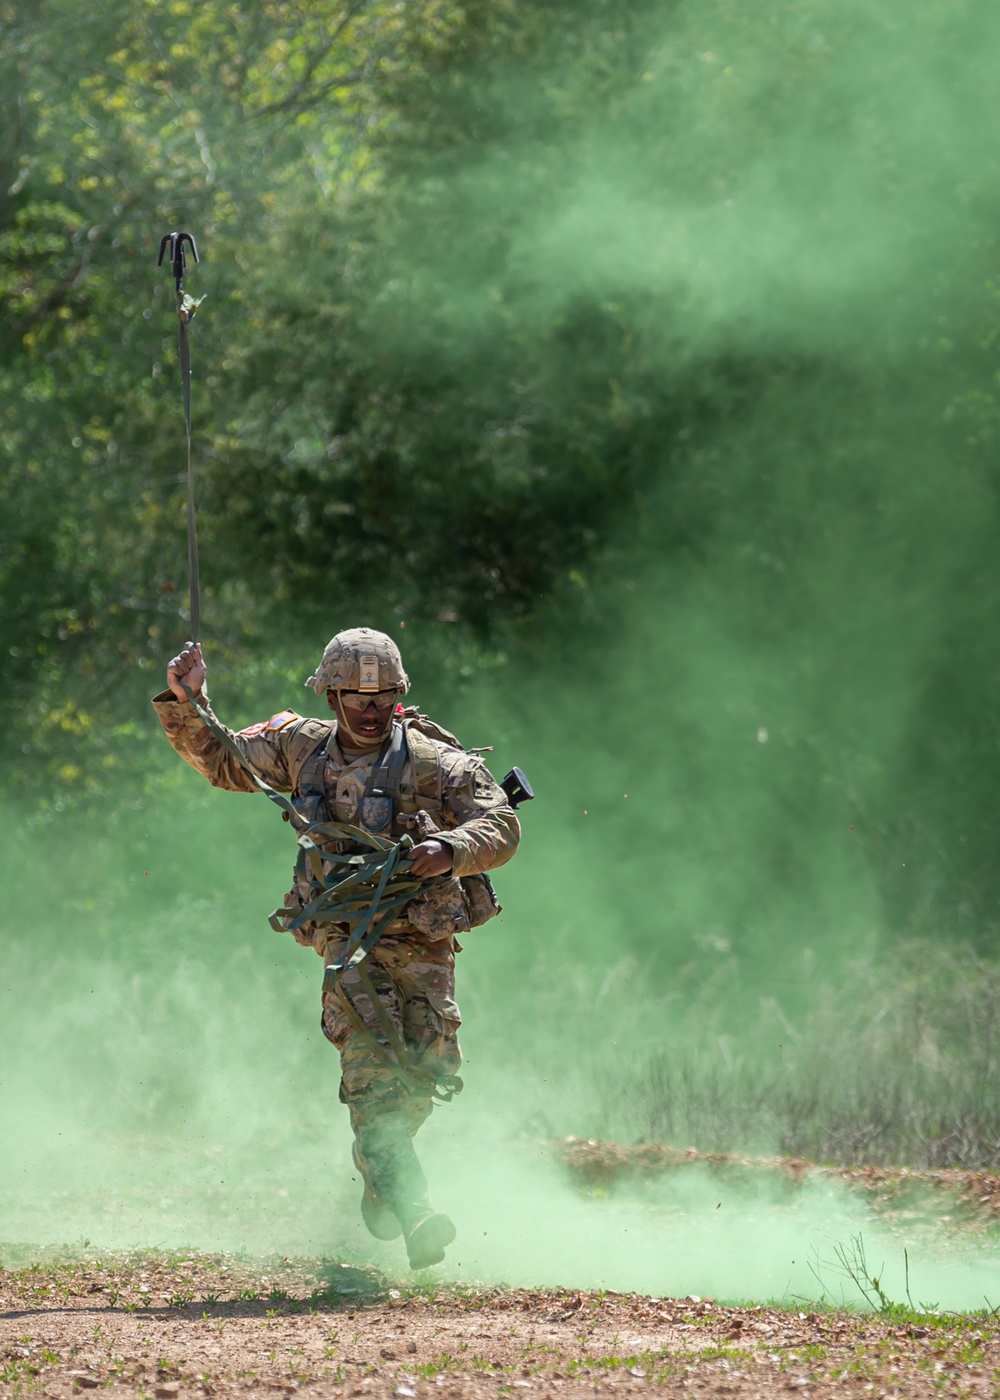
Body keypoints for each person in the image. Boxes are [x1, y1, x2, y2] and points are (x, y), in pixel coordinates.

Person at [153, 627, 521, 1269]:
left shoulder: (436, 764)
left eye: (382, 696)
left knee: (427, 1073)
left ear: (399, 695)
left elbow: (502, 822)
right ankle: (414, 1213)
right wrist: (188, 699)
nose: (371, 708)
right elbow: (223, 760)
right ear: (331, 695)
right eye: (357, 695)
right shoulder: (300, 747)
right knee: (373, 1079)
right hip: (346, 942)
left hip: (422, 941)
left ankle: (383, 1184)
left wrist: (450, 850)